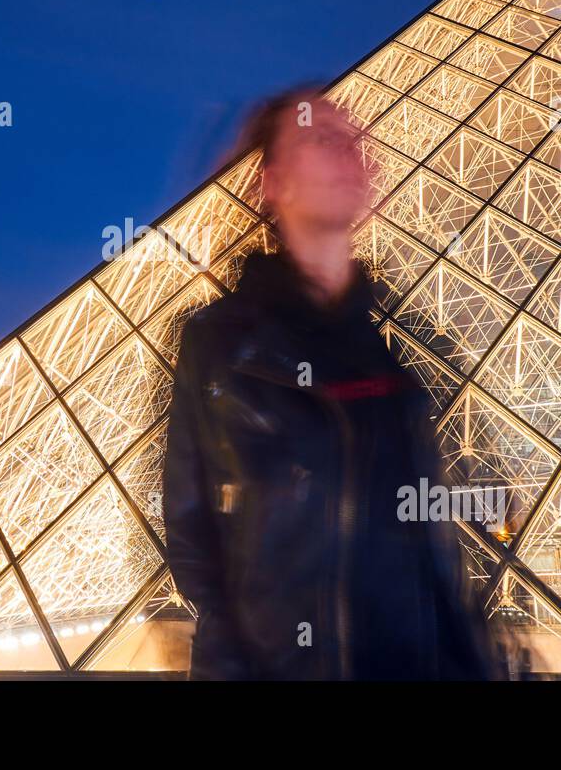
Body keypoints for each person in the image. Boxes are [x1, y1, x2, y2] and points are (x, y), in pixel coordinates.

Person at [163, 88, 499, 680]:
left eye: (354, 139)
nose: (348, 151)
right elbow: (196, 545)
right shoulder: (217, 346)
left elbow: (434, 565)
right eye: (319, 137)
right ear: (274, 182)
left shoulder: (395, 369)